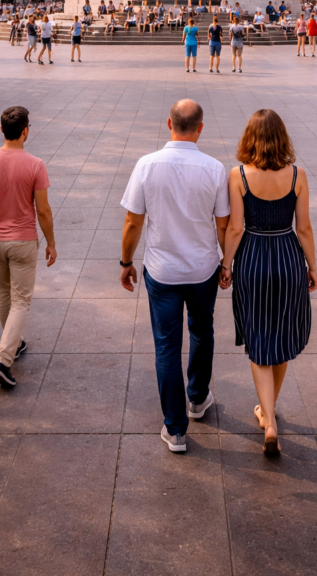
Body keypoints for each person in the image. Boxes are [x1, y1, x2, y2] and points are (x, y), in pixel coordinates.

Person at [119, 99, 230, 453]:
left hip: (163, 271)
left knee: (166, 346)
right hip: (202, 269)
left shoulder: (147, 165)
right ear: (200, 127)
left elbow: (133, 220)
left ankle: (175, 428)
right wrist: (226, 263)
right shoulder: (215, 169)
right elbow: (223, 222)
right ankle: (197, 398)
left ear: (169, 123)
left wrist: (126, 262)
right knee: (202, 331)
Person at [219, 110, 317, 455]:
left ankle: (270, 420)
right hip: (289, 256)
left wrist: (226, 264)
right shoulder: (298, 175)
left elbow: (233, 227)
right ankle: (268, 409)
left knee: (259, 336)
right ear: (282, 137)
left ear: (250, 137)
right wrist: (312, 265)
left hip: (254, 257)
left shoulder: (238, 175)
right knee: (283, 334)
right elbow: (304, 227)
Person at [0, 106, 56, 387]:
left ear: (2, 130)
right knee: (20, 301)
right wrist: (51, 242)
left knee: (3, 296)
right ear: (26, 131)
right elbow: (43, 211)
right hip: (23, 241)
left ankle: (14, 345)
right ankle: (4, 359)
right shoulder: (35, 164)